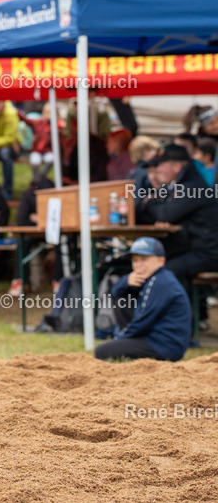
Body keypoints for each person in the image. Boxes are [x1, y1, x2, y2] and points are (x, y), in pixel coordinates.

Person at [135, 144, 218, 327]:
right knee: (156, 263)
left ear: (177, 167)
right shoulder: (181, 184)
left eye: (160, 165)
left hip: (209, 252)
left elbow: (166, 214)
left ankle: (182, 327)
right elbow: (163, 211)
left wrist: (149, 203)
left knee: (170, 269)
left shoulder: (192, 186)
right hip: (195, 247)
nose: (156, 171)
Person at [95, 238, 191, 361]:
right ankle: (127, 342)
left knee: (102, 351)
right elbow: (116, 293)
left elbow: (143, 320)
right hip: (155, 339)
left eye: (144, 259)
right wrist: (126, 281)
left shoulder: (160, 282)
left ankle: (126, 342)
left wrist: (119, 339)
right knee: (124, 295)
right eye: (135, 260)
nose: (139, 265)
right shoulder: (153, 278)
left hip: (165, 346)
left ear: (161, 261)